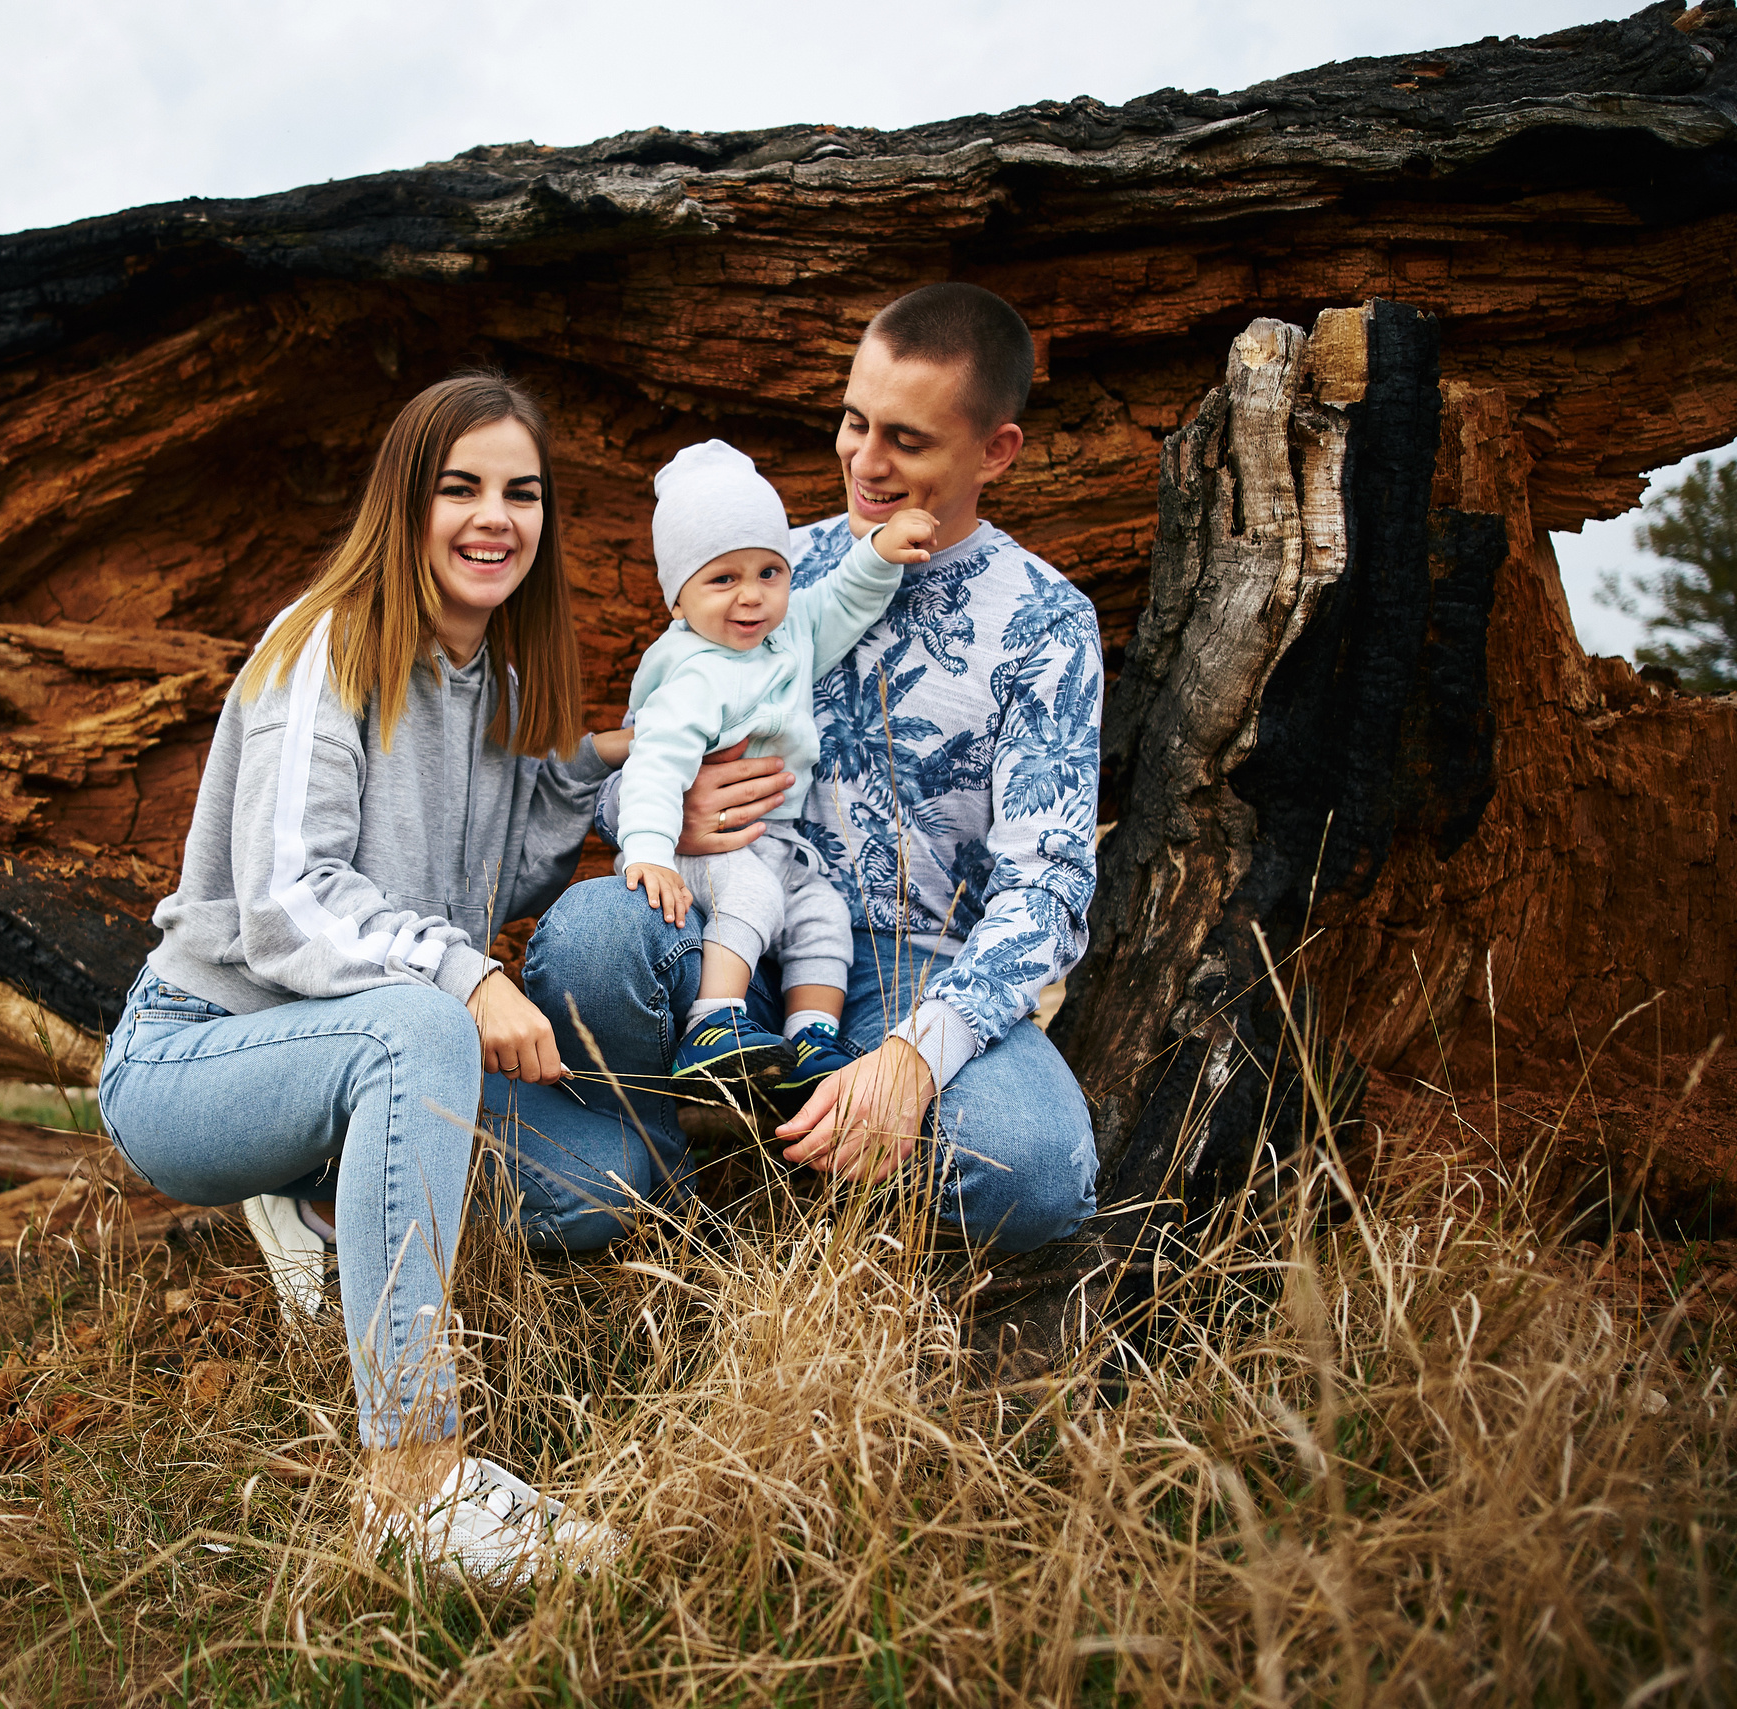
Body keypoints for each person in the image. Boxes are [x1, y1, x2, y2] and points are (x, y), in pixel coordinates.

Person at [95, 371, 628, 1584]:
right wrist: (466, 976)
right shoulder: (321, 645)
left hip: (367, 1043)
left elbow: (509, 870)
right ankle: (415, 1483)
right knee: (421, 1026)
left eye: (521, 493)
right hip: (200, 1055)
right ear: (406, 501)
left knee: (608, 1182)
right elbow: (286, 909)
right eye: (461, 488)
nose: (494, 518)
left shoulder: (494, 680)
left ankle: (328, 1198)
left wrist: (615, 764)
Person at [494, 282, 1102, 1255]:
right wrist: (671, 812)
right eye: (853, 421)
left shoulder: (1043, 620)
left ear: (995, 450)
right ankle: (659, 1186)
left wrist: (915, 1054)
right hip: (727, 926)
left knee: (1030, 1170)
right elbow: (647, 747)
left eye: (905, 439)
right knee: (587, 938)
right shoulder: (765, 562)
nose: (863, 461)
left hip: (913, 971)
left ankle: (840, 1155)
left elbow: (1051, 882)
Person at [612, 439, 938, 1102]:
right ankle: (713, 1022)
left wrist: (878, 550)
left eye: (769, 572)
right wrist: (647, 847)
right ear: (677, 599)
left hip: (781, 843)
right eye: (723, 579)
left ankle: (811, 1032)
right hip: (706, 849)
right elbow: (654, 762)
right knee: (755, 895)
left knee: (823, 910)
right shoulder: (694, 674)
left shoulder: (788, 636)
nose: (752, 596)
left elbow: (844, 599)